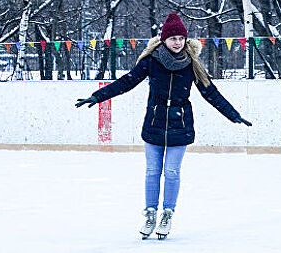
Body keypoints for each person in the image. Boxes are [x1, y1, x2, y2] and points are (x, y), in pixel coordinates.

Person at [75, 13, 252, 240]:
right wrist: (97, 97)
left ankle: (167, 214)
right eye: (173, 38)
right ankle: (150, 214)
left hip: (181, 124)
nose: (177, 42)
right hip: (154, 123)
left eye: (181, 38)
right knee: (152, 172)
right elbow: (126, 82)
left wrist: (233, 115)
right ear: (164, 40)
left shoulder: (192, 64)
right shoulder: (152, 61)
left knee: (171, 171)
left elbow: (211, 92)